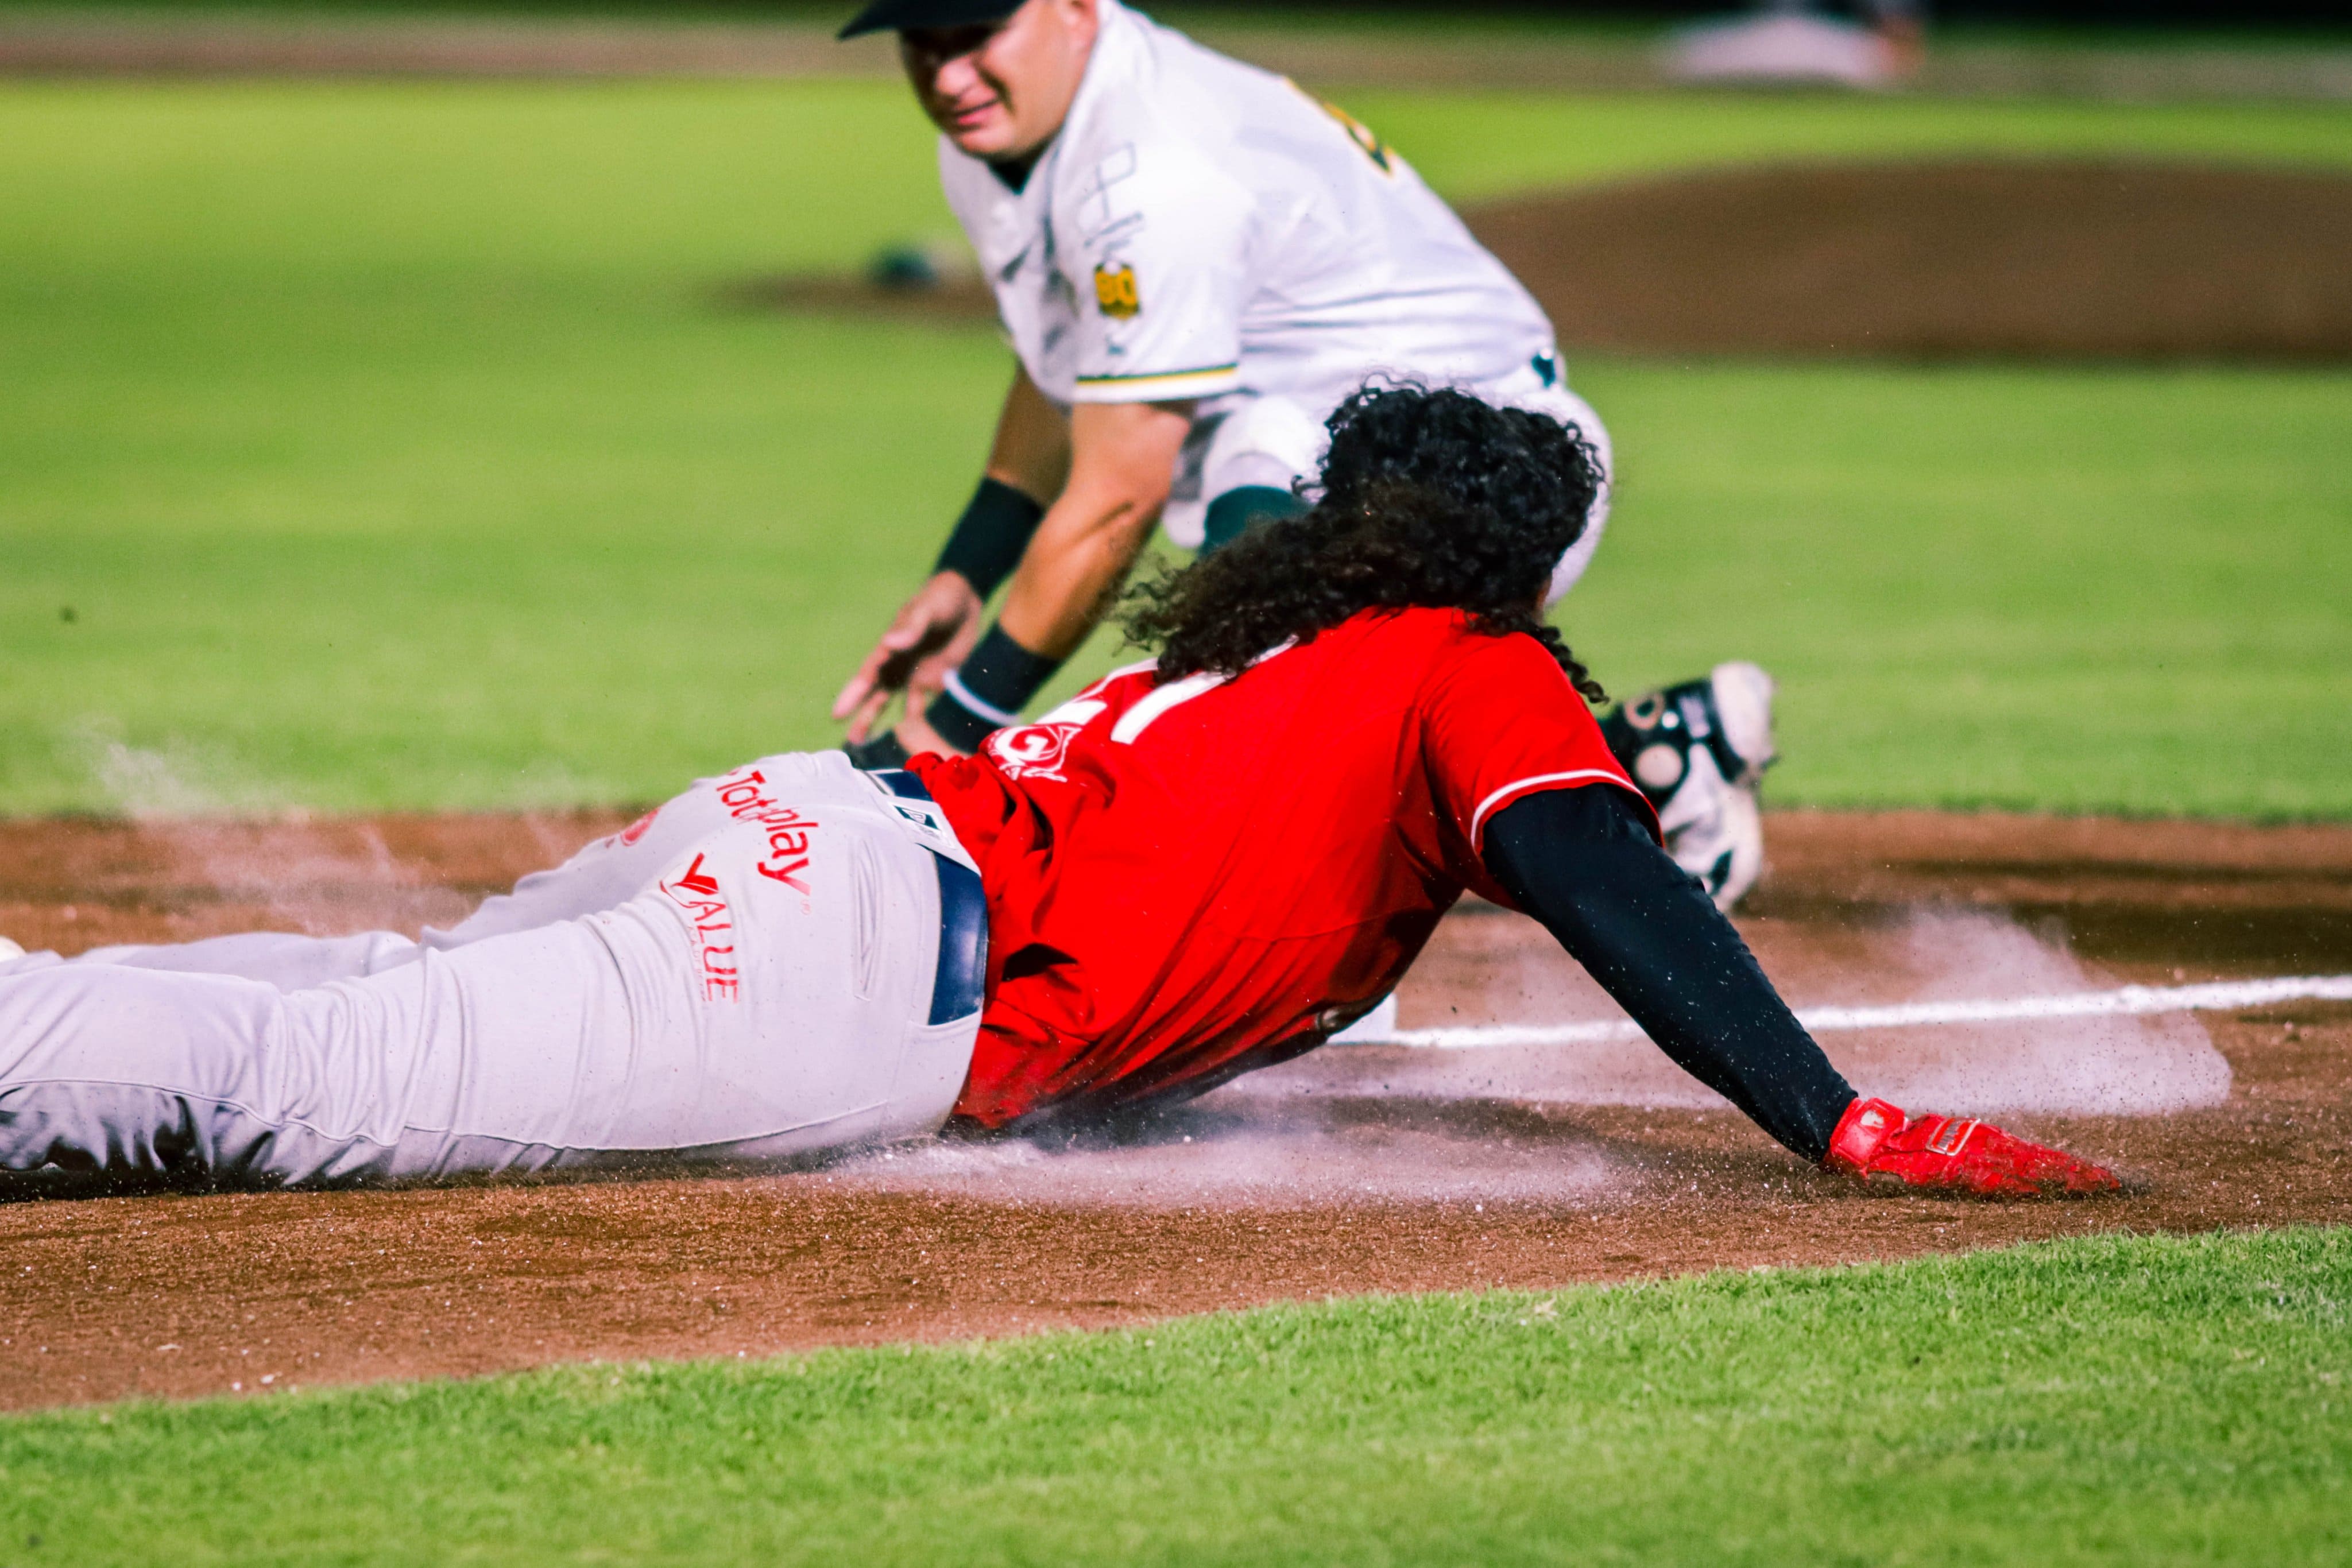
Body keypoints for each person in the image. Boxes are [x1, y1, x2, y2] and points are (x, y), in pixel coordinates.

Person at [0, 389, 2114, 1199]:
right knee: (319, 1086)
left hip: (797, 830)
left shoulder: (1261, 637)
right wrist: (1829, 1111)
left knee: (367, 985)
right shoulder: (1462, 663)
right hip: (840, 965)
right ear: (1512, 572)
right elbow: (1585, 862)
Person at [827, 0, 1775, 910]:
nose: (949, 75)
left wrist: (950, 730)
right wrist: (967, 569)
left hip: (1492, 471)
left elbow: (1118, 499)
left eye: (977, 33)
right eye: (922, 41)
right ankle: (1666, 762)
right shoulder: (1017, 130)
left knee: (1257, 749)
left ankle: (1353, 911)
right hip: (1327, 466)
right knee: (1287, 706)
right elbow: (1067, 356)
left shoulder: (1153, 170)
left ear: (1075, 8)